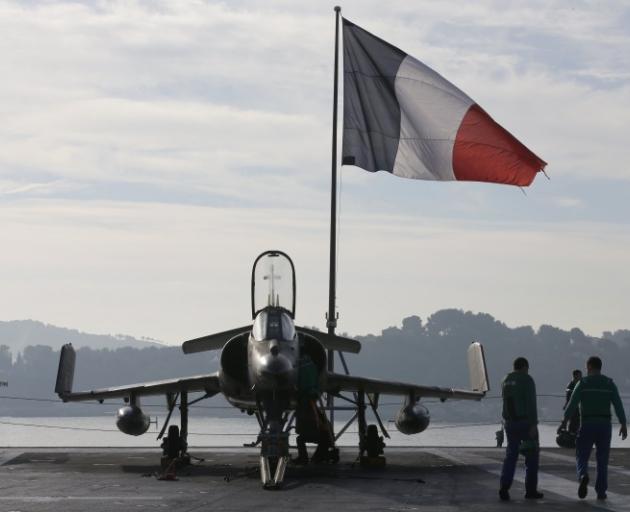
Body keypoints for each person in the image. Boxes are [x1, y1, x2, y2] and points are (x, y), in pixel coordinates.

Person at [558, 356, 627, 501]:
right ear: (600, 367)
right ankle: (601, 492)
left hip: (587, 424)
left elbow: (571, 404)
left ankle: (583, 475)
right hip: (604, 425)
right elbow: (618, 405)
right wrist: (623, 424)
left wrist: (564, 422)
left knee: (581, 455)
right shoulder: (609, 383)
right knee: (602, 460)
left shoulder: (583, 383)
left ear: (589, 367)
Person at [499, 357, 543, 501]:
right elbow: (531, 402)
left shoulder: (505, 380)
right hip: (525, 423)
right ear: (525, 367)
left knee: (511, 456)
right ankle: (530, 490)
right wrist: (533, 424)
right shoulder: (527, 379)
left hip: (510, 423)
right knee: (532, 456)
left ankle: (504, 487)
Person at [564, 369, 583, 435]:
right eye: (580, 375)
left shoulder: (576, 384)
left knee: (575, 423)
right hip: (572, 408)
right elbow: (568, 393)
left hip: (575, 407)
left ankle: (573, 435)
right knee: (573, 423)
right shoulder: (571, 384)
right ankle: (571, 436)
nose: (581, 377)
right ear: (575, 376)